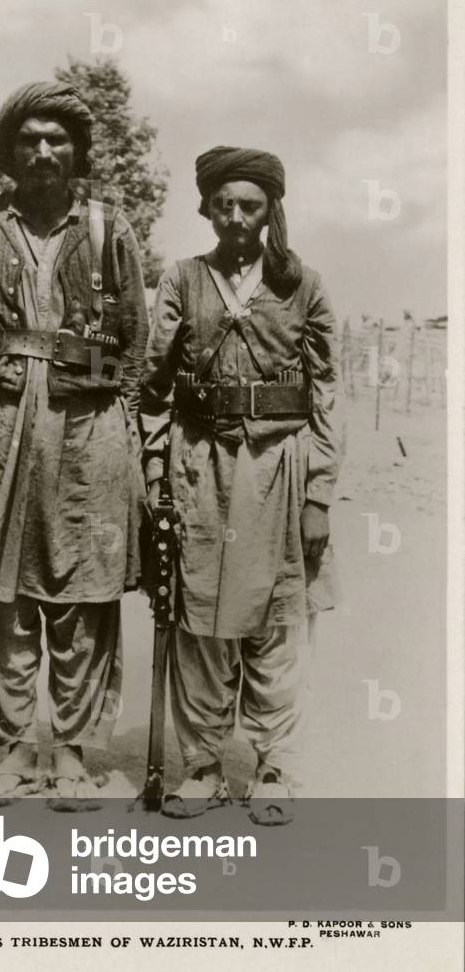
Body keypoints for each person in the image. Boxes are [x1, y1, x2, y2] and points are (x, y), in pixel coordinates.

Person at [0, 81, 148, 806]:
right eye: (29, 140)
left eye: (58, 140)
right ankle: (13, 750)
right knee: (2, 596)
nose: (44, 151)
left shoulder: (112, 229)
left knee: (83, 595)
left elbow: (138, 344)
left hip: (90, 429)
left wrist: (129, 436)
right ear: (10, 152)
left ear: (78, 153)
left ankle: (76, 753)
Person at [139, 146, 343, 823]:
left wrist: (317, 494)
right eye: (222, 204)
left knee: (277, 623)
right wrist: (157, 470)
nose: (235, 218)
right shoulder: (181, 280)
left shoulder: (303, 285)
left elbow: (327, 394)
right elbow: (154, 387)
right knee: (200, 622)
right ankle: (200, 766)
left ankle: (274, 764)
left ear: (270, 210)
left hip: (280, 470)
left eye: (249, 205)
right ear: (206, 208)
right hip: (201, 468)